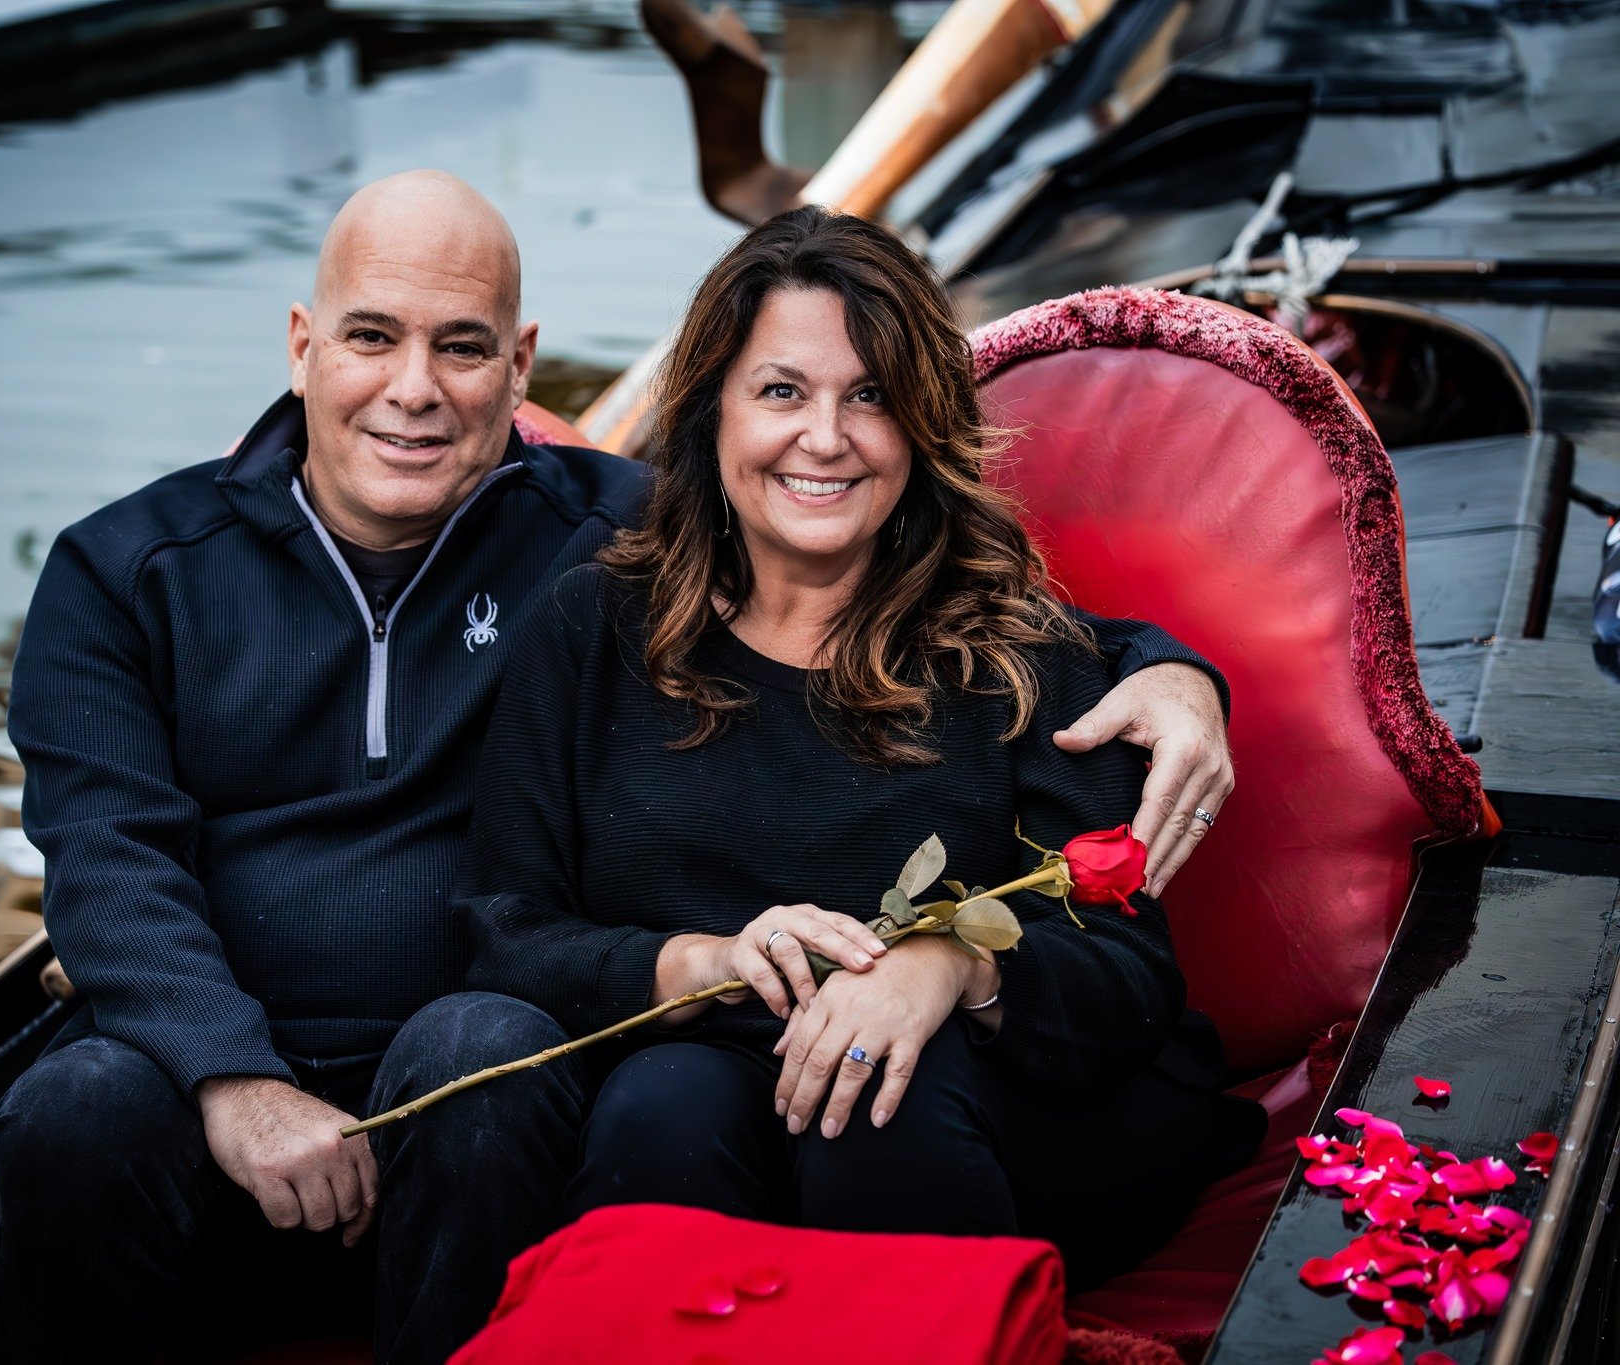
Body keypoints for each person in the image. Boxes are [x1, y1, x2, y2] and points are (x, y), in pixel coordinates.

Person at [0, 172, 1234, 1365]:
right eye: (370, 338)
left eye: (462, 347)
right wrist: (233, 1080)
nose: (412, 391)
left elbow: (907, 579)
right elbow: (108, 864)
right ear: (302, 345)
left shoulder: (598, 534)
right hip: (212, 1066)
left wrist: (1177, 674)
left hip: (484, 1059)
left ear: (518, 369)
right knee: (74, 1110)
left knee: (482, 1050)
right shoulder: (124, 573)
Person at [448, 206, 1265, 1289]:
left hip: (997, 1104)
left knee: (877, 1098)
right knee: (660, 1107)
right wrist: (703, 963)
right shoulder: (591, 630)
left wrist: (952, 964)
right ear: (712, 411)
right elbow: (504, 937)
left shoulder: (1014, 655)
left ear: (920, 425)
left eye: (869, 396)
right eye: (781, 391)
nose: (825, 438)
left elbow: (1126, 980)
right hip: (711, 1079)